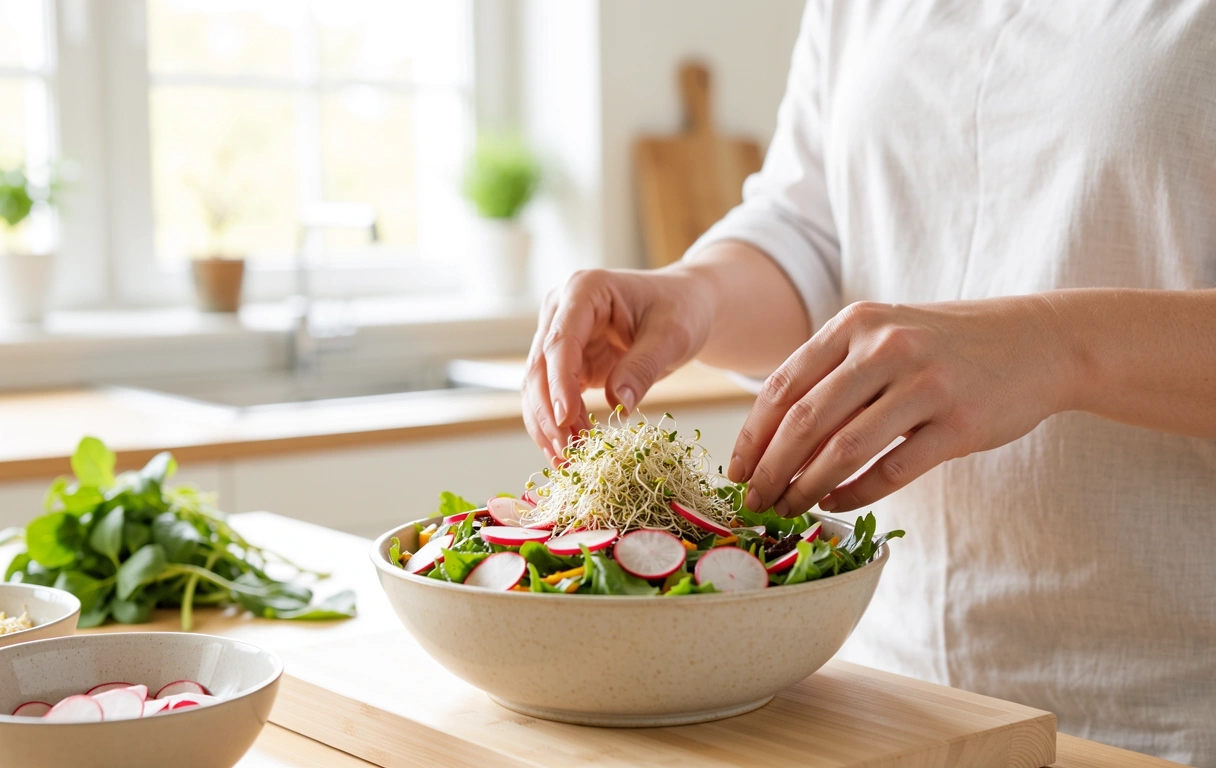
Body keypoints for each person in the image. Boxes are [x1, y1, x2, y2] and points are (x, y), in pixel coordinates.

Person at [521, 1, 1216, 764]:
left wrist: (1059, 345)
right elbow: (814, 229)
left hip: (1165, 716)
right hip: (883, 701)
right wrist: (696, 294)